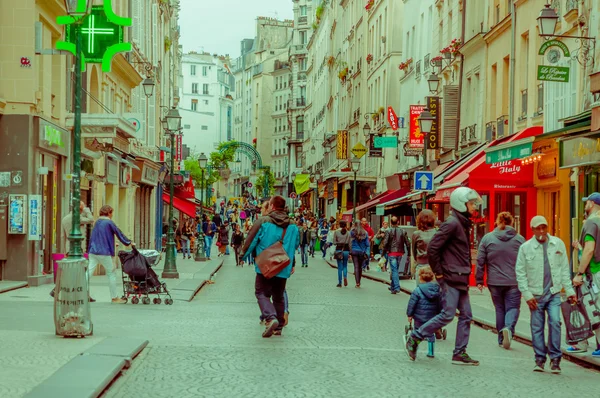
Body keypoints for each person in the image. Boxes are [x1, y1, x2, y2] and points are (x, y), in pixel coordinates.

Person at [405, 187, 482, 365]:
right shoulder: (452, 223)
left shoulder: (462, 222)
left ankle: (459, 353)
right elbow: (433, 248)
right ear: (461, 204)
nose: (474, 207)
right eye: (471, 204)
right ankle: (415, 337)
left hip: (460, 276)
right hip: (451, 276)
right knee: (447, 314)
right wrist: (439, 273)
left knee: (466, 315)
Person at [515, 215, 576, 374]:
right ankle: (540, 359)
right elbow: (520, 273)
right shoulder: (525, 248)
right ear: (533, 230)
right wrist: (527, 295)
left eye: (544, 227)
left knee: (555, 322)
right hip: (535, 294)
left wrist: (569, 290)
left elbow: (564, 270)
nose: (542, 231)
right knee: (537, 327)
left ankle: (555, 359)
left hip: (554, 293)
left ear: (548, 227)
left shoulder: (558, 244)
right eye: (538, 228)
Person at [241, 196, 300, 338]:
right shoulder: (293, 225)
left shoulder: (263, 221)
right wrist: (292, 263)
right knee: (279, 296)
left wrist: (243, 255)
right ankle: (278, 327)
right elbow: (295, 245)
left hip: (265, 265)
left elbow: (251, 240)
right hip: (283, 265)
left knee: (261, 292)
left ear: (272, 206)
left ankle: (270, 317)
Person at [476, 211, 525, 350]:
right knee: (513, 307)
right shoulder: (519, 239)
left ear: (497, 222)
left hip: (494, 281)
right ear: (512, 223)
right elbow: (527, 260)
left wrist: (479, 279)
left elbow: (480, 260)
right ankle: (508, 328)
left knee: (499, 308)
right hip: (514, 281)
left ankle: (500, 338)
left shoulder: (487, 239)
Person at [569, 192, 600, 356]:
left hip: (594, 272)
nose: (585, 205)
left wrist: (579, 273)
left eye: (586, 202)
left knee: (594, 308)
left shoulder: (591, 223)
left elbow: (589, 250)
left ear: (592, 204)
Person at [87, 205, 133, 304]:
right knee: (111, 274)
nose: (112, 215)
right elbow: (118, 233)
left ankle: (82, 293)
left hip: (93, 251)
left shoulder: (97, 222)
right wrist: (128, 242)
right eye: (112, 213)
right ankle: (114, 298)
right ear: (108, 213)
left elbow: (99, 236)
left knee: (88, 273)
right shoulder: (109, 222)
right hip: (104, 252)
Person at [50, 201, 95, 299]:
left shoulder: (65, 218)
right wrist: (87, 210)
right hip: (77, 248)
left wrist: (64, 250)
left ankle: (57, 290)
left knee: (72, 271)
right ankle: (83, 294)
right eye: (83, 206)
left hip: (68, 248)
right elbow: (91, 219)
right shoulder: (77, 218)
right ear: (80, 208)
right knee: (80, 271)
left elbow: (62, 236)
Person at [407, 267, 442, 358]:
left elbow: (412, 304)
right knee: (430, 334)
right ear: (433, 277)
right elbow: (440, 304)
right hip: (432, 318)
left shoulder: (417, 290)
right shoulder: (437, 290)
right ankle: (431, 352)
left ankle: (413, 351)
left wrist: (409, 315)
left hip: (419, 317)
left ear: (420, 278)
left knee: (417, 333)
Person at [382, 216, 409, 294]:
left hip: (391, 252)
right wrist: (409, 253)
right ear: (398, 222)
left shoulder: (388, 231)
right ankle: (393, 287)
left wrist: (383, 253)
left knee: (394, 270)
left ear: (390, 223)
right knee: (395, 269)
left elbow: (385, 242)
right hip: (400, 252)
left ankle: (397, 287)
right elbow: (407, 242)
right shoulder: (403, 231)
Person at [411, 210, 437, 286]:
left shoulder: (416, 234)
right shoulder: (437, 233)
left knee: (421, 291)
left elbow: (414, 251)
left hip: (421, 265)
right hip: (434, 266)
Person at [350, 220, 369, 288]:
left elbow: (350, 241)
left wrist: (350, 250)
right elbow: (367, 244)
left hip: (354, 250)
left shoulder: (352, 232)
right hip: (362, 251)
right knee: (360, 267)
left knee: (356, 266)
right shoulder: (365, 233)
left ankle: (357, 282)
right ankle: (359, 281)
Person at [333, 220, 351, 287]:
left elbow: (334, 242)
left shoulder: (336, 232)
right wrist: (350, 252)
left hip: (339, 250)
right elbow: (350, 243)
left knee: (339, 267)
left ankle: (340, 282)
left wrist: (338, 242)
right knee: (345, 265)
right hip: (346, 250)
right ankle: (345, 277)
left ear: (339, 225)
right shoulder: (348, 233)